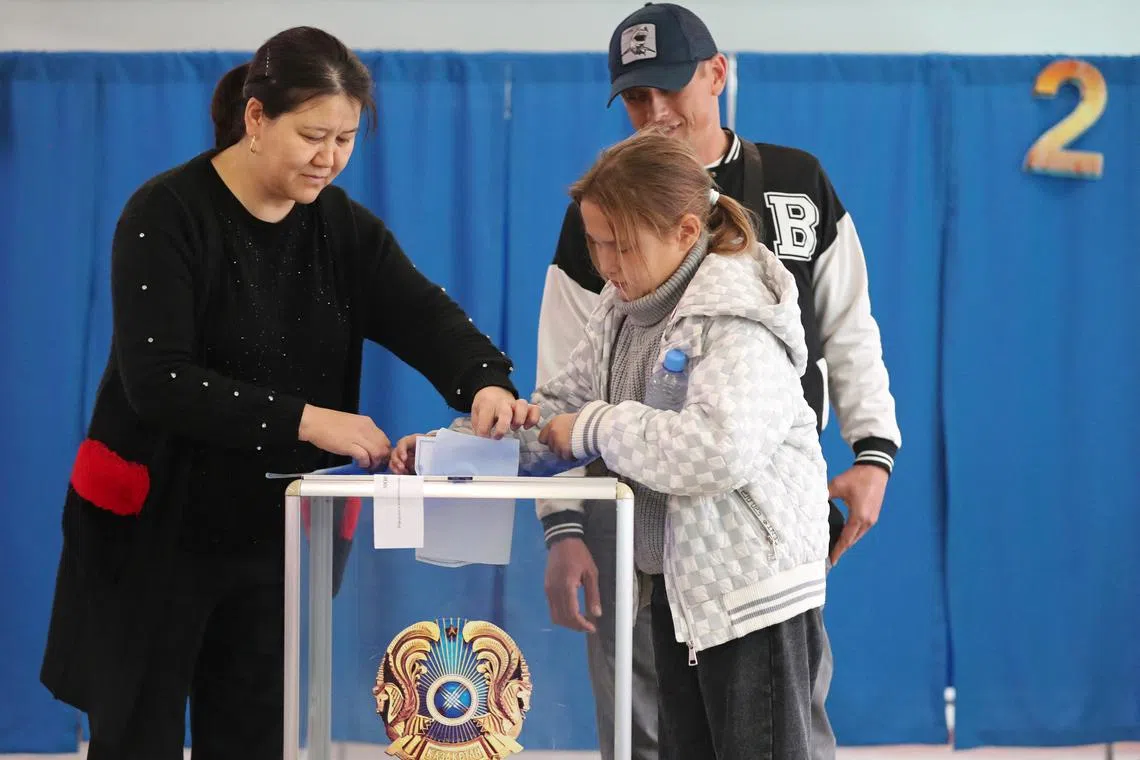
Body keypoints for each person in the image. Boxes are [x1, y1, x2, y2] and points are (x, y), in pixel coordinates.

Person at [38, 26, 535, 760]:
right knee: (134, 734)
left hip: (274, 534)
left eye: (345, 138)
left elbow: (424, 314)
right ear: (256, 119)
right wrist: (312, 421)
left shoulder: (342, 229)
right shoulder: (166, 214)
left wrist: (486, 379)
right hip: (154, 529)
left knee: (252, 736)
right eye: (312, 135)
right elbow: (158, 381)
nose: (329, 158)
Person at [533, 3, 903, 759]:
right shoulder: (600, 211)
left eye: (672, 87)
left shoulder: (793, 193)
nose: (657, 110)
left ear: (717, 74)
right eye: (637, 97)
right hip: (640, 519)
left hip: (752, 527)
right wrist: (557, 514)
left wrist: (873, 449)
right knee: (654, 726)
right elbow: (564, 377)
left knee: (781, 712)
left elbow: (850, 327)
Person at [393, 127, 832, 759]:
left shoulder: (739, 318)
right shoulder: (621, 306)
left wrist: (596, 427)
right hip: (680, 597)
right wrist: (448, 449)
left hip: (751, 600)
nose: (605, 265)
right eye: (595, 244)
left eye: (620, 246)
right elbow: (560, 413)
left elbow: (716, 449)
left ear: (685, 231)